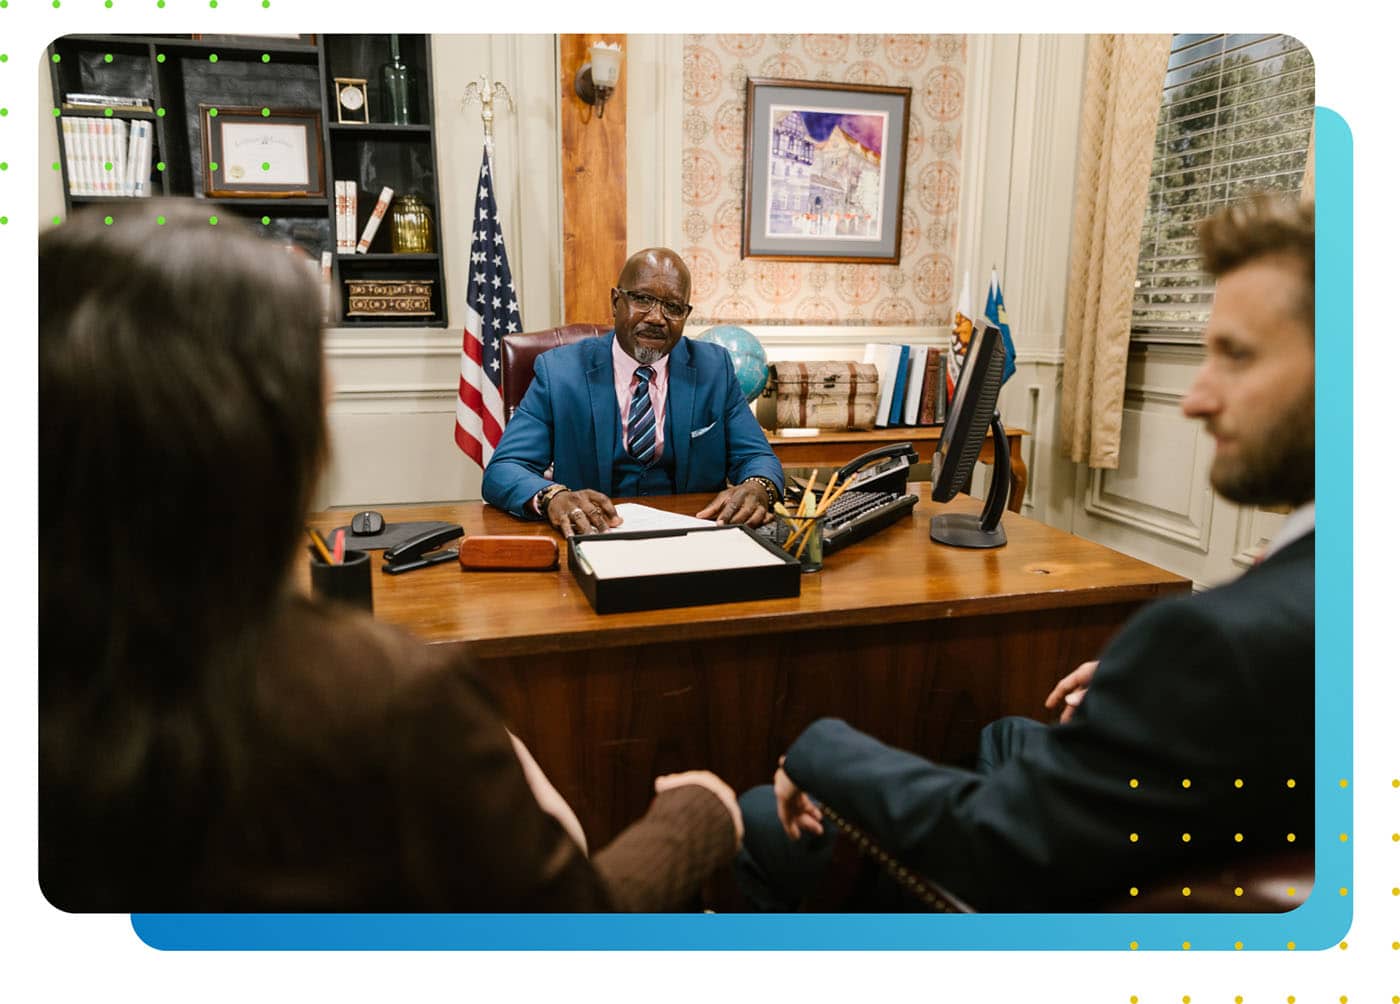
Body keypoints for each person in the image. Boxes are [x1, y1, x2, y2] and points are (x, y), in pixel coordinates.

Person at [39, 204, 742, 912]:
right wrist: (701, 813)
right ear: (284, 433)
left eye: (671, 305)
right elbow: (564, 928)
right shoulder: (394, 698)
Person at [735, 194, 1316, 911]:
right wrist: (1150, 693)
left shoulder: (1216, 645)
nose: (1194, 399)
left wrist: (819, 745)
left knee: (760, 814)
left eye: (1236, 355)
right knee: (1006, 734)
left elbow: (996, 843)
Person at [481, 248, 784, 537]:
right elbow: (504, 469)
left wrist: (758, 486)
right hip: (597, 534)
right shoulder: (559, 372)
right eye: (642, 299)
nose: (656, 317)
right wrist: (553, 496)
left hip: (692, 535)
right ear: (615, 302)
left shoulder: (714, 368)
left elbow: (757, 457)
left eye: (673, 307)